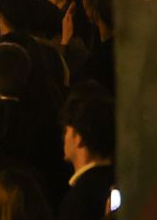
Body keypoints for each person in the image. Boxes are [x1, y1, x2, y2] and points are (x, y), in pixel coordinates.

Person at [57, 90, 117, 219]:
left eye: (66, 131)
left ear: (79, 138)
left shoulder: (78, 200)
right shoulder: (121, 183)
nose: (63, 137)